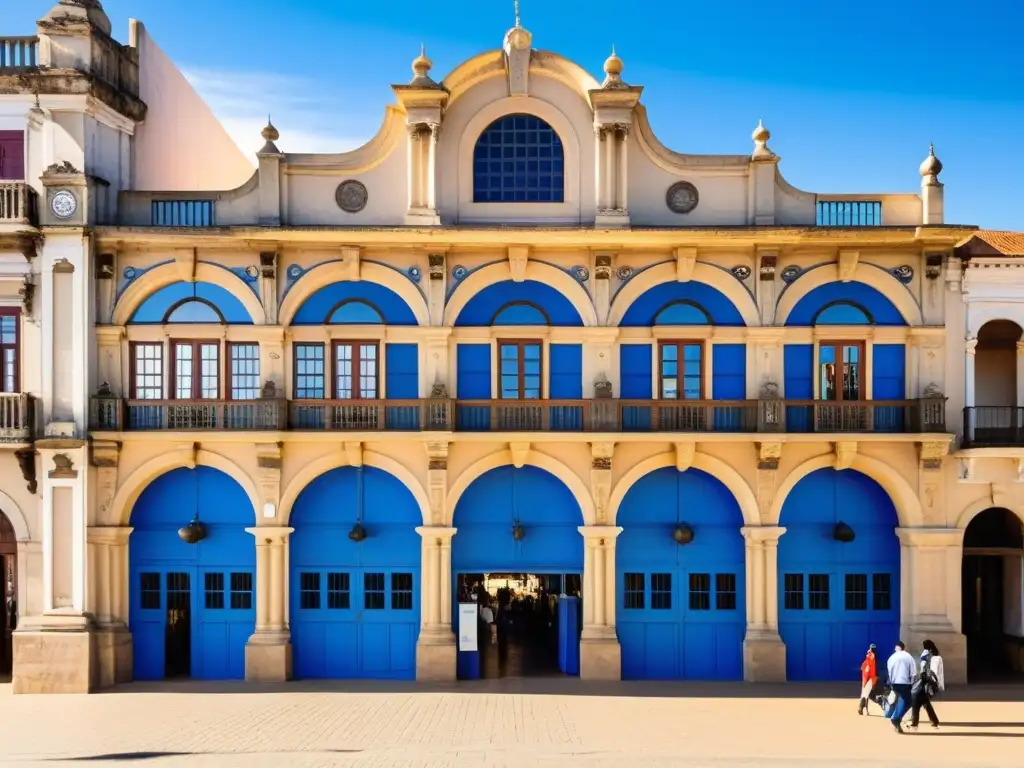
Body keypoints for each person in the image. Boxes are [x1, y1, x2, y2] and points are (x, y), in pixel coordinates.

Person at [909, 640, 944, 730]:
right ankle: (934, 721)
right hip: (930, 683)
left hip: (926, 682)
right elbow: (939, 673)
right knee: (925, 701)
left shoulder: (927, 656)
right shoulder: (936, 656)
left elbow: (925, 670)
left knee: (916, 699)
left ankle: (914, 724)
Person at [886, 640, 916, 733]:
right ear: (904, 647)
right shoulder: (908, 657)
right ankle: (896, 718)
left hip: (894, 683)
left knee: (898, 701)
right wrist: (912, 682)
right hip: (905, 683)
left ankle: (895, 718)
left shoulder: (892, 657)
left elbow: (889, 671)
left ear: (896, 647)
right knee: (909, 701)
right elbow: (913, 673)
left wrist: (890, 683)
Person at [858, 643, 878, 715]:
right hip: (870, 679)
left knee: (865, 694)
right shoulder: (872, 657)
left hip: (866, 679)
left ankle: (865, 709)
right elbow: (871, 670)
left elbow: (863, 668)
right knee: (866, 695)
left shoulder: (867, 660)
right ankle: (862, 708)